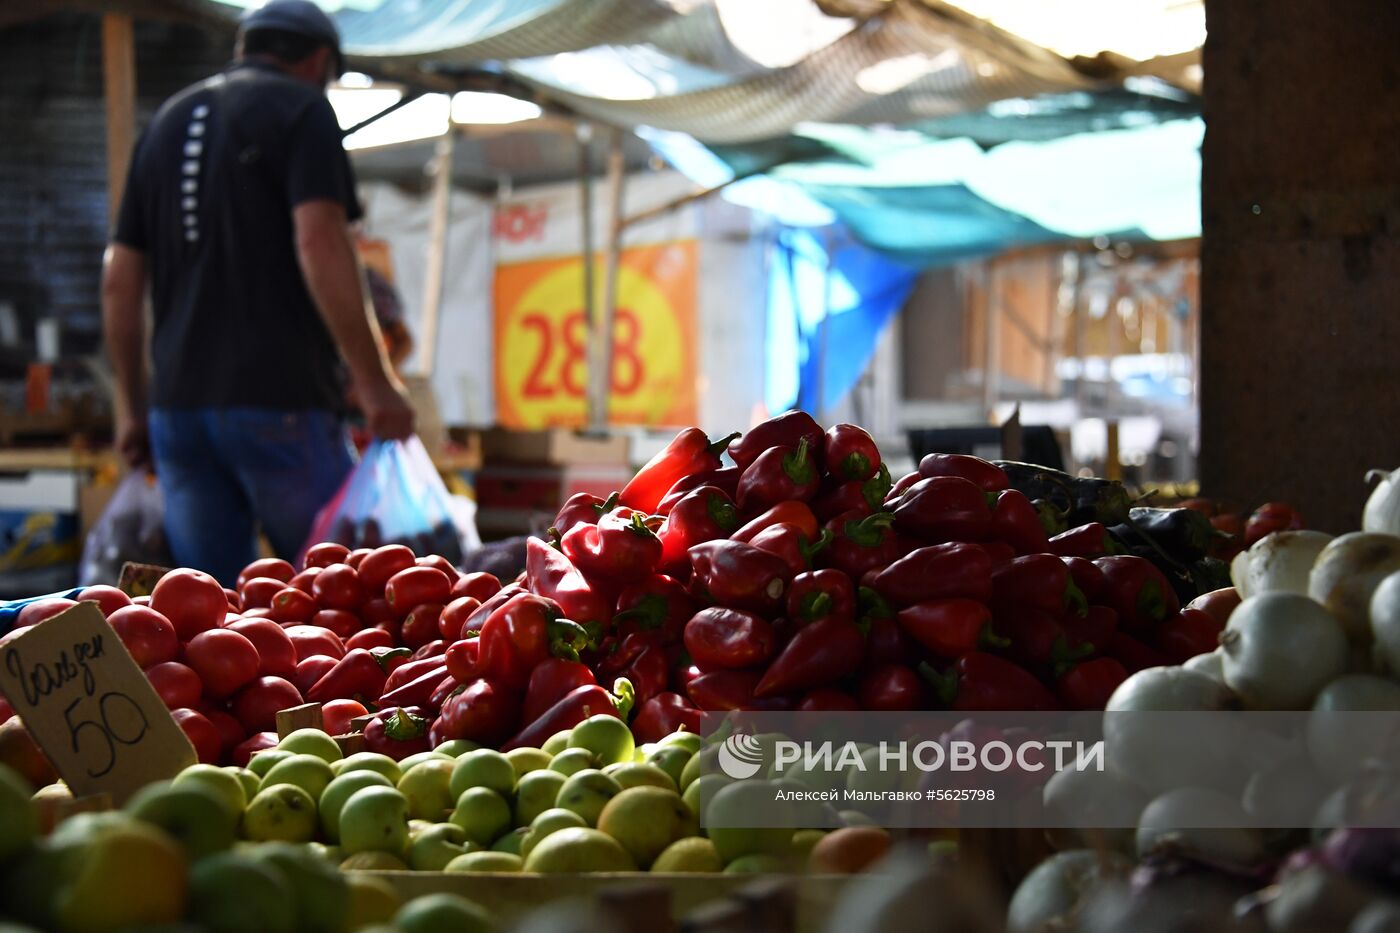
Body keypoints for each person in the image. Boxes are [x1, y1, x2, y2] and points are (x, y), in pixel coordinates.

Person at [101, 0, 415, 586]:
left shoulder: (165, 121)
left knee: (207, 614)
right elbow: (321, 242)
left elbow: (119, 279)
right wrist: (375, 384)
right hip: (280, 402)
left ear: (246, 47)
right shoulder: (303, 110)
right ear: (319, 60)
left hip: (179, 413)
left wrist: (131, 407)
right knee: (338, 594)